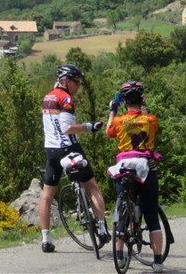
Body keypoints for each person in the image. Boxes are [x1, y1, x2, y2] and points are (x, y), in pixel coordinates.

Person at [38, 63, 110, 252]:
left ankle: (45, 240)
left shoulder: (48, 97)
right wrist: (89, 126)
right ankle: (102, 228)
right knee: (92, 187)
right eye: (76, 82)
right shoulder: (66, 99)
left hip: (51, 150)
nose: (78, 87)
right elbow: (67, 128)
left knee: (46, 197)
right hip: (69, 148)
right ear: (66, 81)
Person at [105, 80, 164, 273]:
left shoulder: (119, 121)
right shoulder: (151, 119)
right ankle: (157, 262)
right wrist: (145, 114)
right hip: (146, 167)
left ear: (123, 101)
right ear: (142, 99)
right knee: (152, 217)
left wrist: (112, 112)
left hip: (124, 167)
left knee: (122, 209)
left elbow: (108, 132)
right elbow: (152, 130)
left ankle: (120, 255)